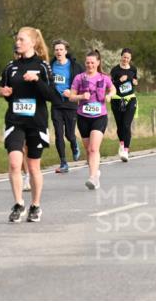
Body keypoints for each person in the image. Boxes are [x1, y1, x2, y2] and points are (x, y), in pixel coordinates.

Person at [0, 28, 53, 222]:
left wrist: (37, 80)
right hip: (15, 120)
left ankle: (35, 205)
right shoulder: (10, 67)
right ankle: (19, 203)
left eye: (21, 39)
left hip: (36, 122)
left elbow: (51, 95)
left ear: (32, 42)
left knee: (33, 166)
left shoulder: (43, 66)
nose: (17, 42)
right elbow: (3, 89)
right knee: (15, 163)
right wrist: (3, 92)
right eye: (17, 39)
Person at [69, 50, 114, 189]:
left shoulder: (104, 78)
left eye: (92, 62)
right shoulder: (79, 78)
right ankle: (95, 173)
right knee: (88, 150)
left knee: (94, 148)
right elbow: (71, 96)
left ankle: (93, 178)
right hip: (83, 117)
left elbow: (113, 89)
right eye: (87, 62)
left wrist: (109, 95)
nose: (90, 65)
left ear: (98, 63)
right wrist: (81, 97)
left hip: (99, 117)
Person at [50, 39, 84, 173]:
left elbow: (84, 83)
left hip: (70, 103)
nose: (58, 52)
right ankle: (63, 163)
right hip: (56, 104)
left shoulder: (75, 66)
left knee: (69, 134)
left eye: (61, 49)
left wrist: (72, 92)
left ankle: (74, 144)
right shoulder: (50, 66)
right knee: (58, 134)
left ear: (66, 51)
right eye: (56, 50)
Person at [109, 48, 138, 162]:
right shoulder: (115, 70)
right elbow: (110, 85)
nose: (126, 59)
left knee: (126, 124)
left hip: (130, 99)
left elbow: (135, 81)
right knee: (120, 126)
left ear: (130, 59)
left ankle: (126, 150)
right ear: (121, 57)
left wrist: (134, 81)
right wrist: (119, 81)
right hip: (117, 99)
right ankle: (121, 143)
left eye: (128, 58)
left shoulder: (133, 69)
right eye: (124, 57)